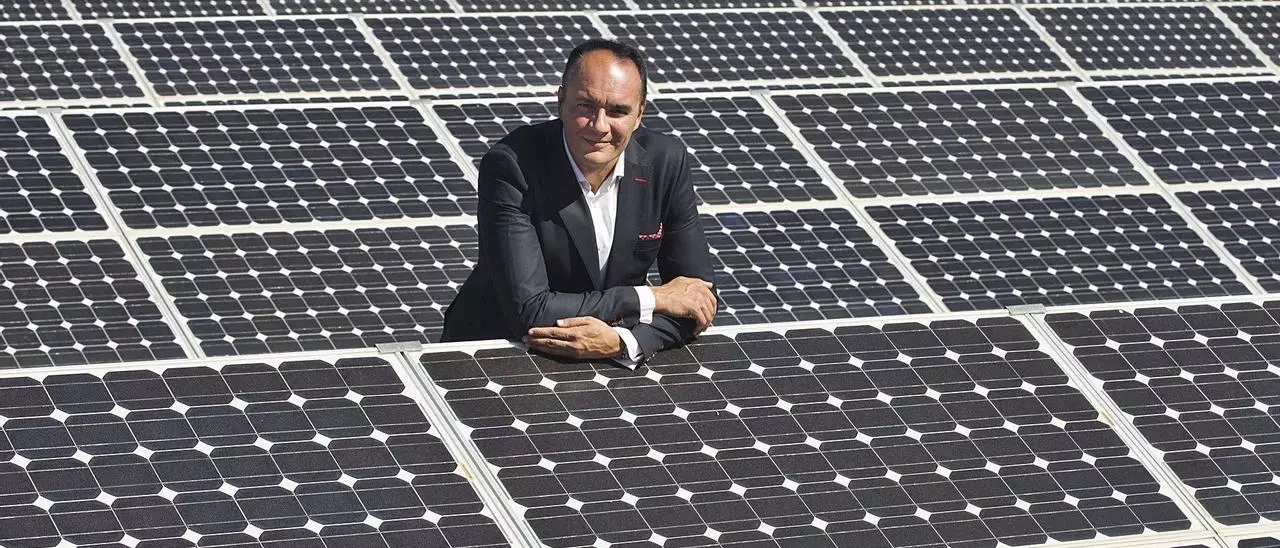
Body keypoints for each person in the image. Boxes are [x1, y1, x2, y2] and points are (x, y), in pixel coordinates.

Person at [439, 38, 717, 367]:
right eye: (585, 106)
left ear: (639, 115)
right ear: (561, 102)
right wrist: (651, 296)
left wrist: (623, 341)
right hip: (498, 356)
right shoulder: (513, 167)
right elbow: (531, 310)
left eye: (618, 111)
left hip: (605, 355)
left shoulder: (665, 163)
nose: (599, 126)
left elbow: (698, 298)